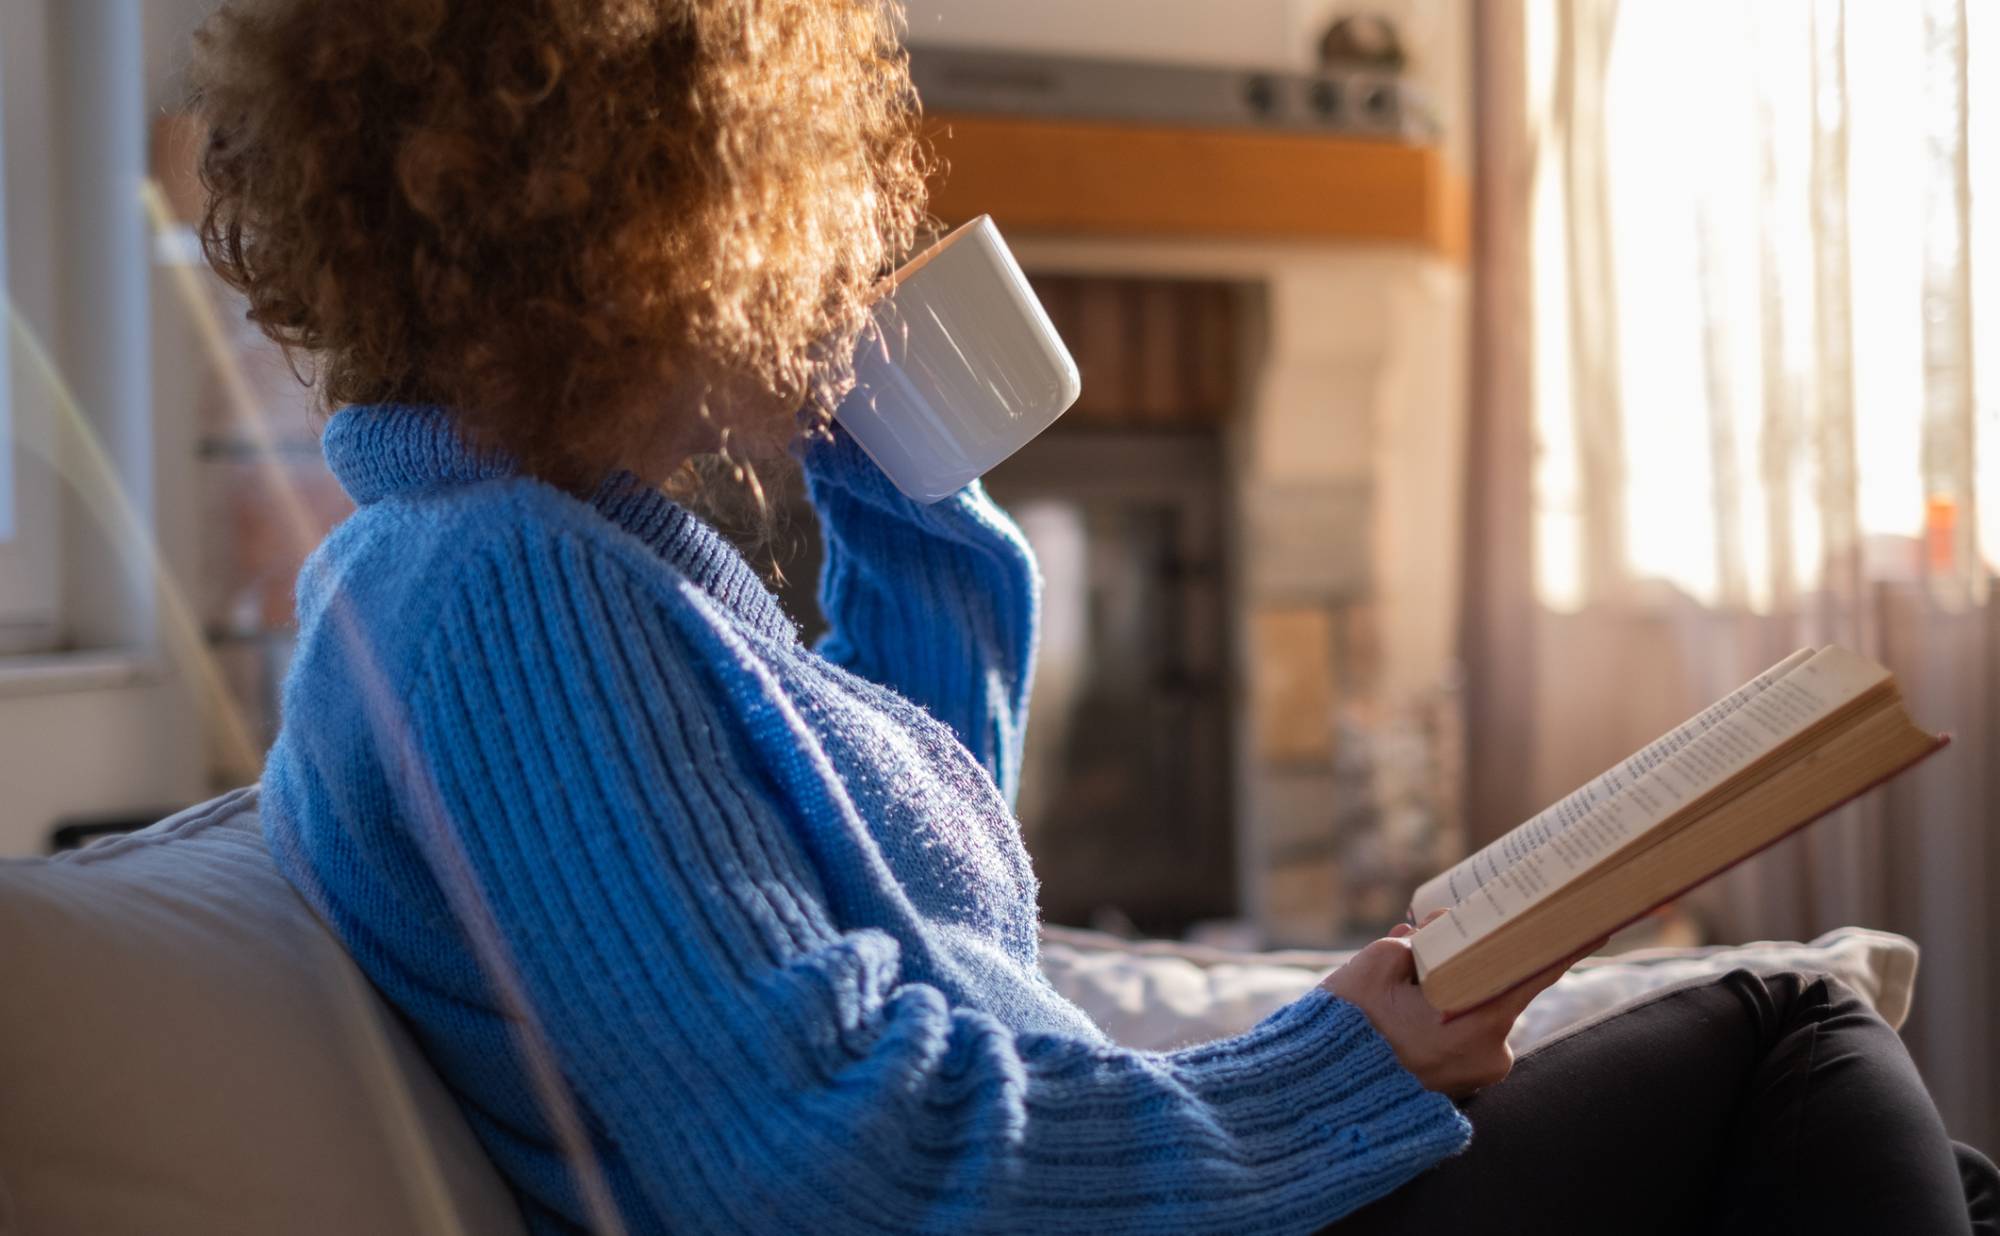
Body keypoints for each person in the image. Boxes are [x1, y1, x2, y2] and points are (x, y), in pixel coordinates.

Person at [190, 2, 1997, 1232]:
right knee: (1793, 1036)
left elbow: (921, 905)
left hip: (1114, 1189)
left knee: (1932, 1171)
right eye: (786, 202)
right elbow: (847, 1167)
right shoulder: (506, 593)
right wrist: (1330, 1065)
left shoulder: (558, 554)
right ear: (663, 223)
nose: (820, 257)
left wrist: (911, 519)